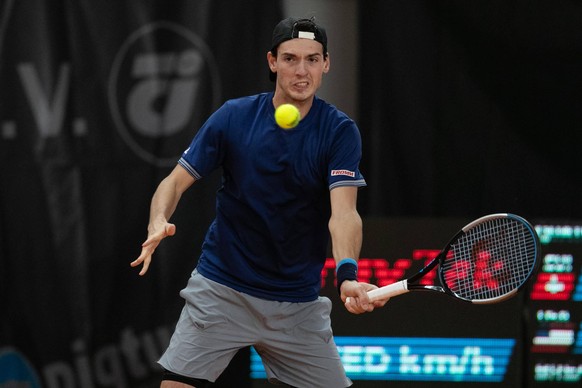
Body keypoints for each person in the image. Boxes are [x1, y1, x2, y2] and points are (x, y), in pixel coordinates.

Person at [131, 16, 387, 388]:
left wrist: (347, 274)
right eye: (290, 59)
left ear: (326, 63)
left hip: (297, 303)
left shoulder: (339, 132)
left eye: (313, 59)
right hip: (223, 288)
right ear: (272, 62)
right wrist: (158, 219)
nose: (302, 71)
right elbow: (173, 182)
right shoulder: (234, 117)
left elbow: (344, 214)